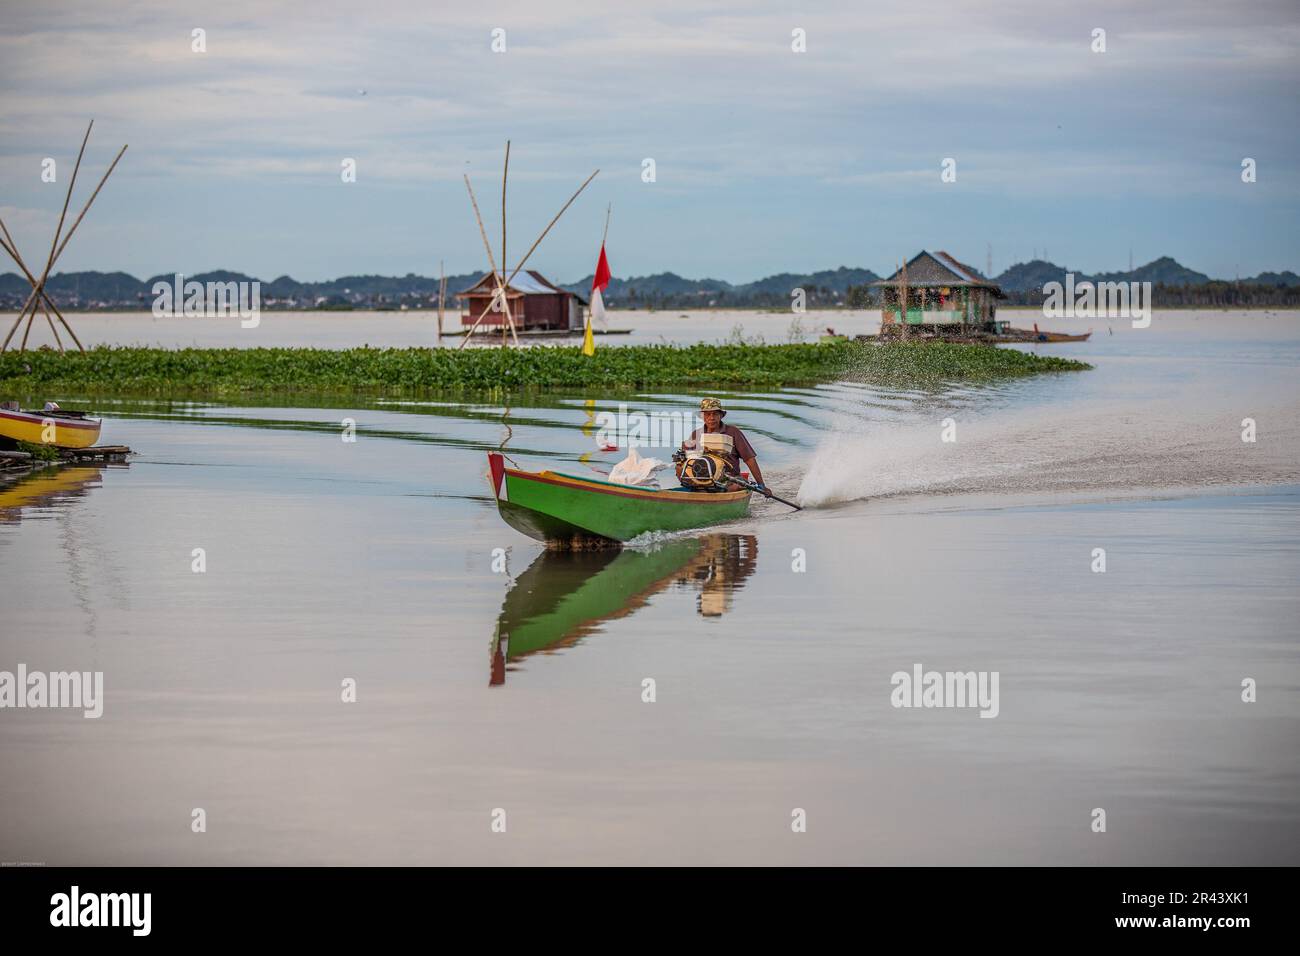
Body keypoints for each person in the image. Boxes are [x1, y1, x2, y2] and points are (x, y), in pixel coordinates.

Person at [674, 397, 767, 492]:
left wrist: (761, 484)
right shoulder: (696, 434)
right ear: (702, 416)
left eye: (715, 414)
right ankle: (694, 490)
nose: (711, 418)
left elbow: (749, 459)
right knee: (679, 465)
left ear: (721, 415)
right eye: (707, 414)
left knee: (734, 486)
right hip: (702, 478)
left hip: (728, 479)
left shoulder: (733, 432)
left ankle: (718, 492)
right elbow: (688, 460)